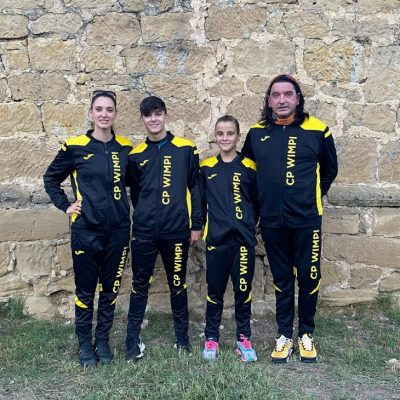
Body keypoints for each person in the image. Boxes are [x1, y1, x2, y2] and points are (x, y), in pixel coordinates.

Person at [242, 74, 338, 363]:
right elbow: (249, 174)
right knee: (282, 279)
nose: (281, 100)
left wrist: (309, 196)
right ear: (268, 101)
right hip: (272, 221)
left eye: (287, 94)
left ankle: (306, 333)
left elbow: (330, 170)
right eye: (275, 95)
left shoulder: (318, 130)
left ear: (298, 98)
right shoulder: (256, 133)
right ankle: (284, 335)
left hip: (307, 220)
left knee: (309, 277)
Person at [43, 90, 133, 367]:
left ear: (115, 113)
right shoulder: (75, 146)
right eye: (99, 109)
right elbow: (50, 178)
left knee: (110, 289)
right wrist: (66, 206)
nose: (104, 114)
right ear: (91, 113)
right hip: (86, 231)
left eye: (109, 109)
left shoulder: (125, 148)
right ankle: (84, 343)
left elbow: (137, 184)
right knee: (85, 290)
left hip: (118, 230)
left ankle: (102, 341)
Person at [125, 96, 202, 362]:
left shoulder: (185, 149)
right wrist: (145, 216)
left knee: (177, 284)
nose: (153, 119)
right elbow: (136, 195)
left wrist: (196, 224)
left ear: (166, 115)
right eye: (148, 115)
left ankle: (182, 339)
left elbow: (195, 187)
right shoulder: (135, 155)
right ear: (142, 119)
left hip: (177, 231)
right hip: (144, 233)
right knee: (139, 285)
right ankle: (132, 341)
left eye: (157, 113)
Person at [200, 115, 258, 362]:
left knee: (243, 291)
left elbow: (257, 201)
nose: (225, 138)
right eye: (220, 133)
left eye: (230, 133)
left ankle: (243, 338)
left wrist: (247, 225)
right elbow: (200, 202)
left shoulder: (250, 167)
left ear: (238, 136)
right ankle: (211, 338)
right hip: (217, 241)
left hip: (243, 243)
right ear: (215, 136)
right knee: (214, 292)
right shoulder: (206, 168)